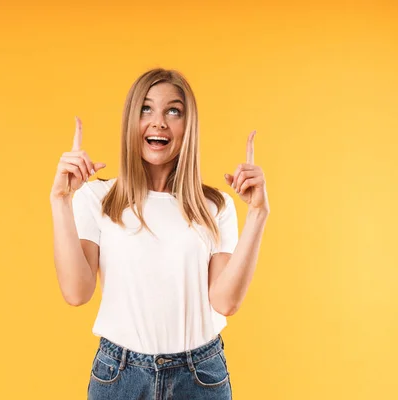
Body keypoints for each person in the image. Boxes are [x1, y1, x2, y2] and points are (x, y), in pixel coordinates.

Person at [50, 68, 270, 399]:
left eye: (173, 111)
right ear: (131, 123)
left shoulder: (215, 206)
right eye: (146, 109)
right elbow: (76, 292)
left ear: (188, 126)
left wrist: (257, 213)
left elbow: (225, 301)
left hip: (199, 377)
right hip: (119, 377)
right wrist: (61, 201)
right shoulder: (99, 199)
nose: (159, 122)